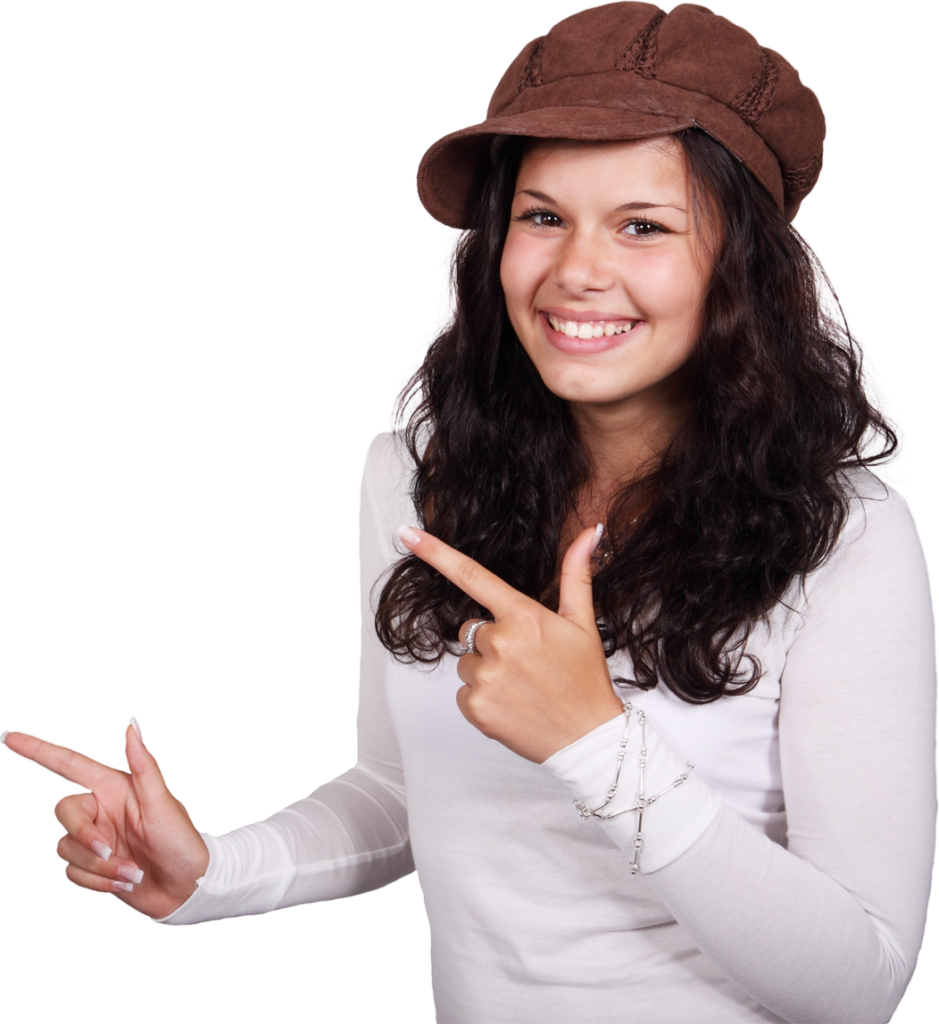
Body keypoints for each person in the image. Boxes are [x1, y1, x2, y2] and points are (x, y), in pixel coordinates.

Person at [2, 3, 934, 1021]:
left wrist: (597, 745)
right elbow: (401, 793)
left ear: (740, 265)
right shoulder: (413, 473)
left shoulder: (849, 533)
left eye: (643, 225)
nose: (576, 271)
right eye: (542, 216)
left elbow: (862, 986)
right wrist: (211, 874)